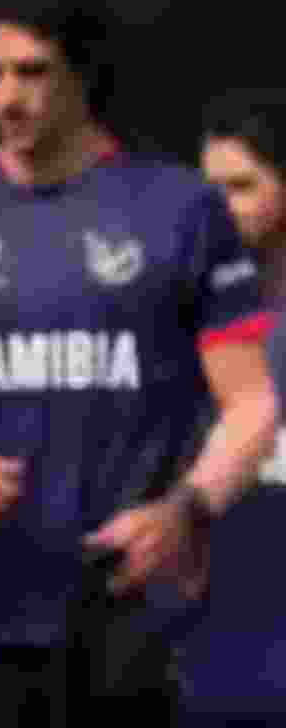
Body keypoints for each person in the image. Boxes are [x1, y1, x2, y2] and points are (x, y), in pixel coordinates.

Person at [0, 0, 278, 727]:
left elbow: (252, 403)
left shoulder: (178, 208)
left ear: (82, 73)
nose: (7, 98)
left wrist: (185, 510)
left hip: (130, 612)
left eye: (32, 72)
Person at [173, 92, 286, 726]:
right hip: (211, 652)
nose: (220, 209)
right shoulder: (180, 330)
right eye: (208, 190)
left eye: (241, 187)